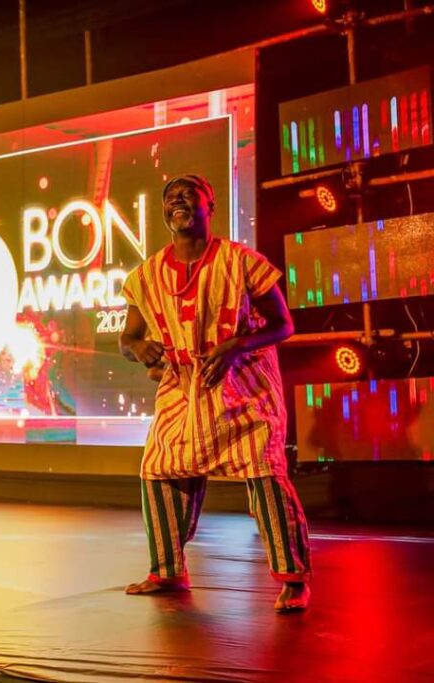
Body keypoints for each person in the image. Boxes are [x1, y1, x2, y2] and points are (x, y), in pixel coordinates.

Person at [119, 174, 312, 612]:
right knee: (159, 467)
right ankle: (167, 571)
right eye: (170, 197)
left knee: (265, 473)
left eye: (189, 194)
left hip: (245, 387)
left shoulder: (242, 261)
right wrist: (138, 347)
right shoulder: (145, 276)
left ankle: (294, 577)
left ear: (211, 206)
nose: (178, 201)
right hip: (182, 389)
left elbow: (283, 325)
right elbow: (127, 338)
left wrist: (235, 346)